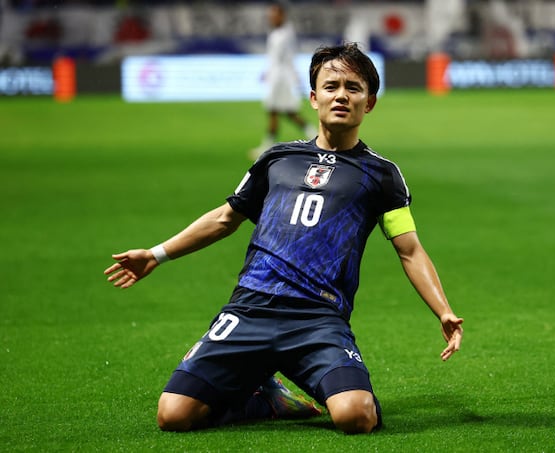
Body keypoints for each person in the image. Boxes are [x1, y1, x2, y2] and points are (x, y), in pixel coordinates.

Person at [104, 43, 464, 434]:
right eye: (331, 86)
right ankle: (262, 397)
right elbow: (225, 219)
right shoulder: (277, 159)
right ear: (313, 98)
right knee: (173, 415)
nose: (341, 95)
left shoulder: (382, 175)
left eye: (353, 88)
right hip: (250, 310)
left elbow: (409, 250)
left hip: (318, 319)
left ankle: (299, 386)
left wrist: (443, 311)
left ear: (370, 102)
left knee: (355, 416)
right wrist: (156, 255)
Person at [249, 2, 316, 159]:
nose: (271, 18)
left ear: (282, 15)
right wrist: (267, 72)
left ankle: (267, 146)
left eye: (274, 15)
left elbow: (288, 58)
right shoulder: (278, 33)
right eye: (270, 15)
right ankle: (314, 135)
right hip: (277, 76)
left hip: (280, 79)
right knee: (287, 112)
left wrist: (294, 78)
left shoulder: (285, 34)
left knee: (275, 110)